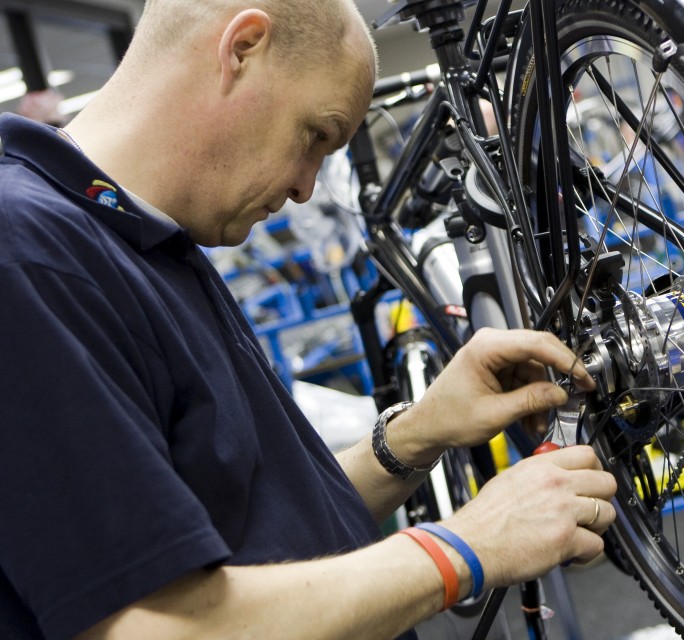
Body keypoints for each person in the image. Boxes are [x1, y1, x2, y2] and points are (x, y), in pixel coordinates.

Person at [0, 1, 616, 639]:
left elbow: (261, 528)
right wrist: (465, 547)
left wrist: (420, 431)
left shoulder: (153, 241)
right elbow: (154, 628)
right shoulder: (27, 252)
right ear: (241, 48)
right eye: (316, 137)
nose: (305, 188)